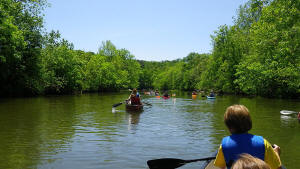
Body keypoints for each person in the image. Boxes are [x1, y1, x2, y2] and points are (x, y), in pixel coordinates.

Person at [214, 105, 282, 169]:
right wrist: (276, 153)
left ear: (228, 126)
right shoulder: (263, 143)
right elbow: (277, 168)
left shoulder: (224, 145)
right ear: (249, 123)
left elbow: (221, 167)